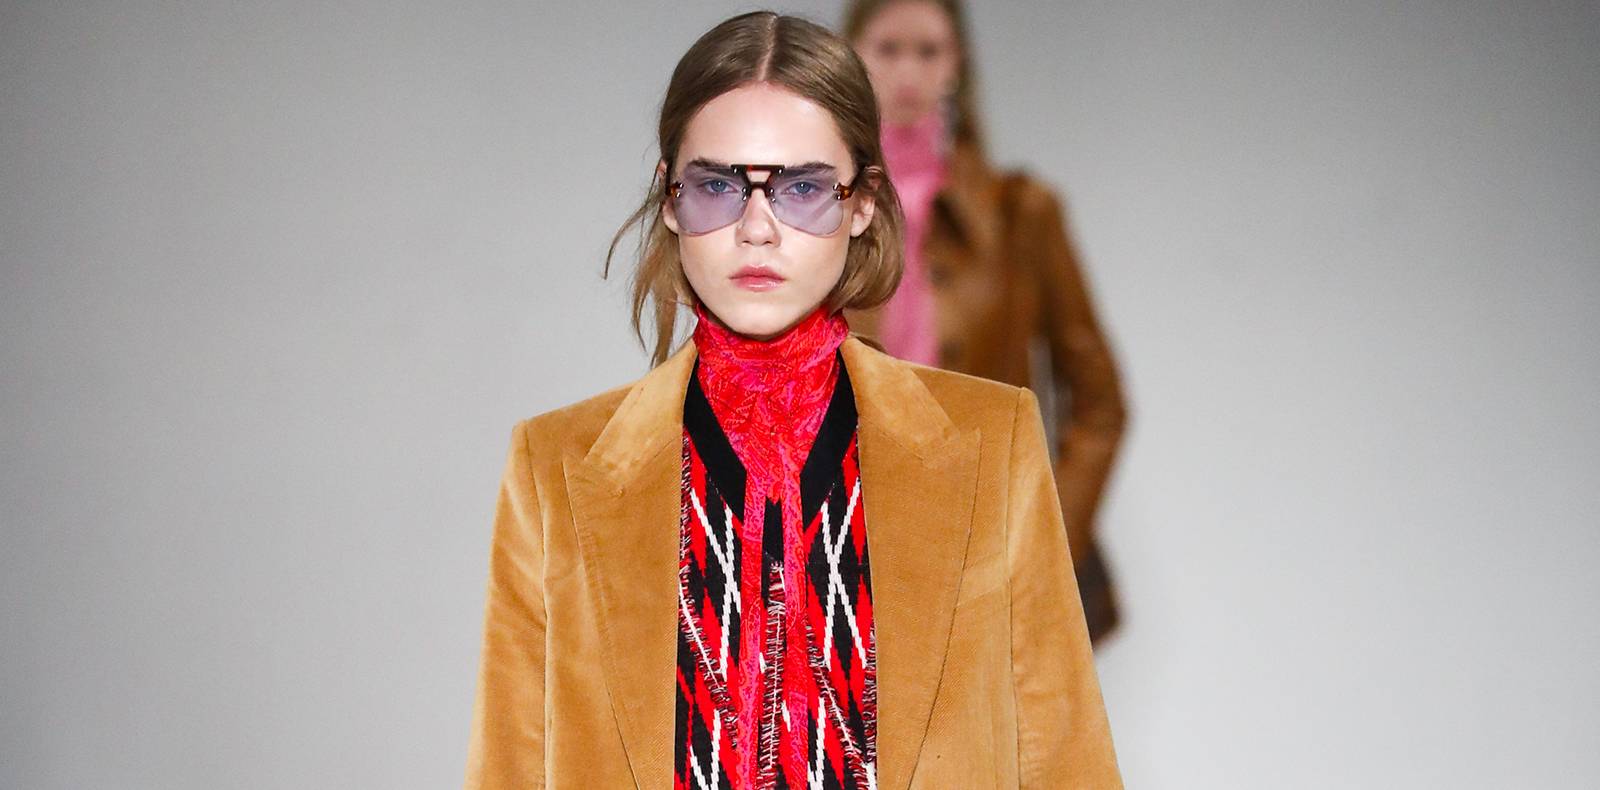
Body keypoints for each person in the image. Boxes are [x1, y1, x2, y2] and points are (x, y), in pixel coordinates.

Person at [465, 11, 1120, 789]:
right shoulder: (556, 470)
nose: (758, 228)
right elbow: (511, 767)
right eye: (717, 185)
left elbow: (1064, 764)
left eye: (802, 188)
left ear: (862, 202)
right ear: (670, 199)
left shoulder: (990, 447)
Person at [843, 0, 1130, 643]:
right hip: (849, 557)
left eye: (928, 51)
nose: (908, 72)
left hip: (980, 552)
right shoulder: (815, 213)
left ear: (958, 64)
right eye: (888, 49)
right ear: (852, 56)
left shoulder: (1020, 214)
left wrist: (1041, 544)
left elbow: (1100, 403)